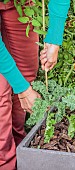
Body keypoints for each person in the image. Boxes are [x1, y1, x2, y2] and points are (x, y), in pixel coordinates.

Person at [0, 0, 70, 169]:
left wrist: (54, 37)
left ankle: (20, 152)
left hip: (17, 3)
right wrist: (21, 88)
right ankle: (5, 163)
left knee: (26, 74)